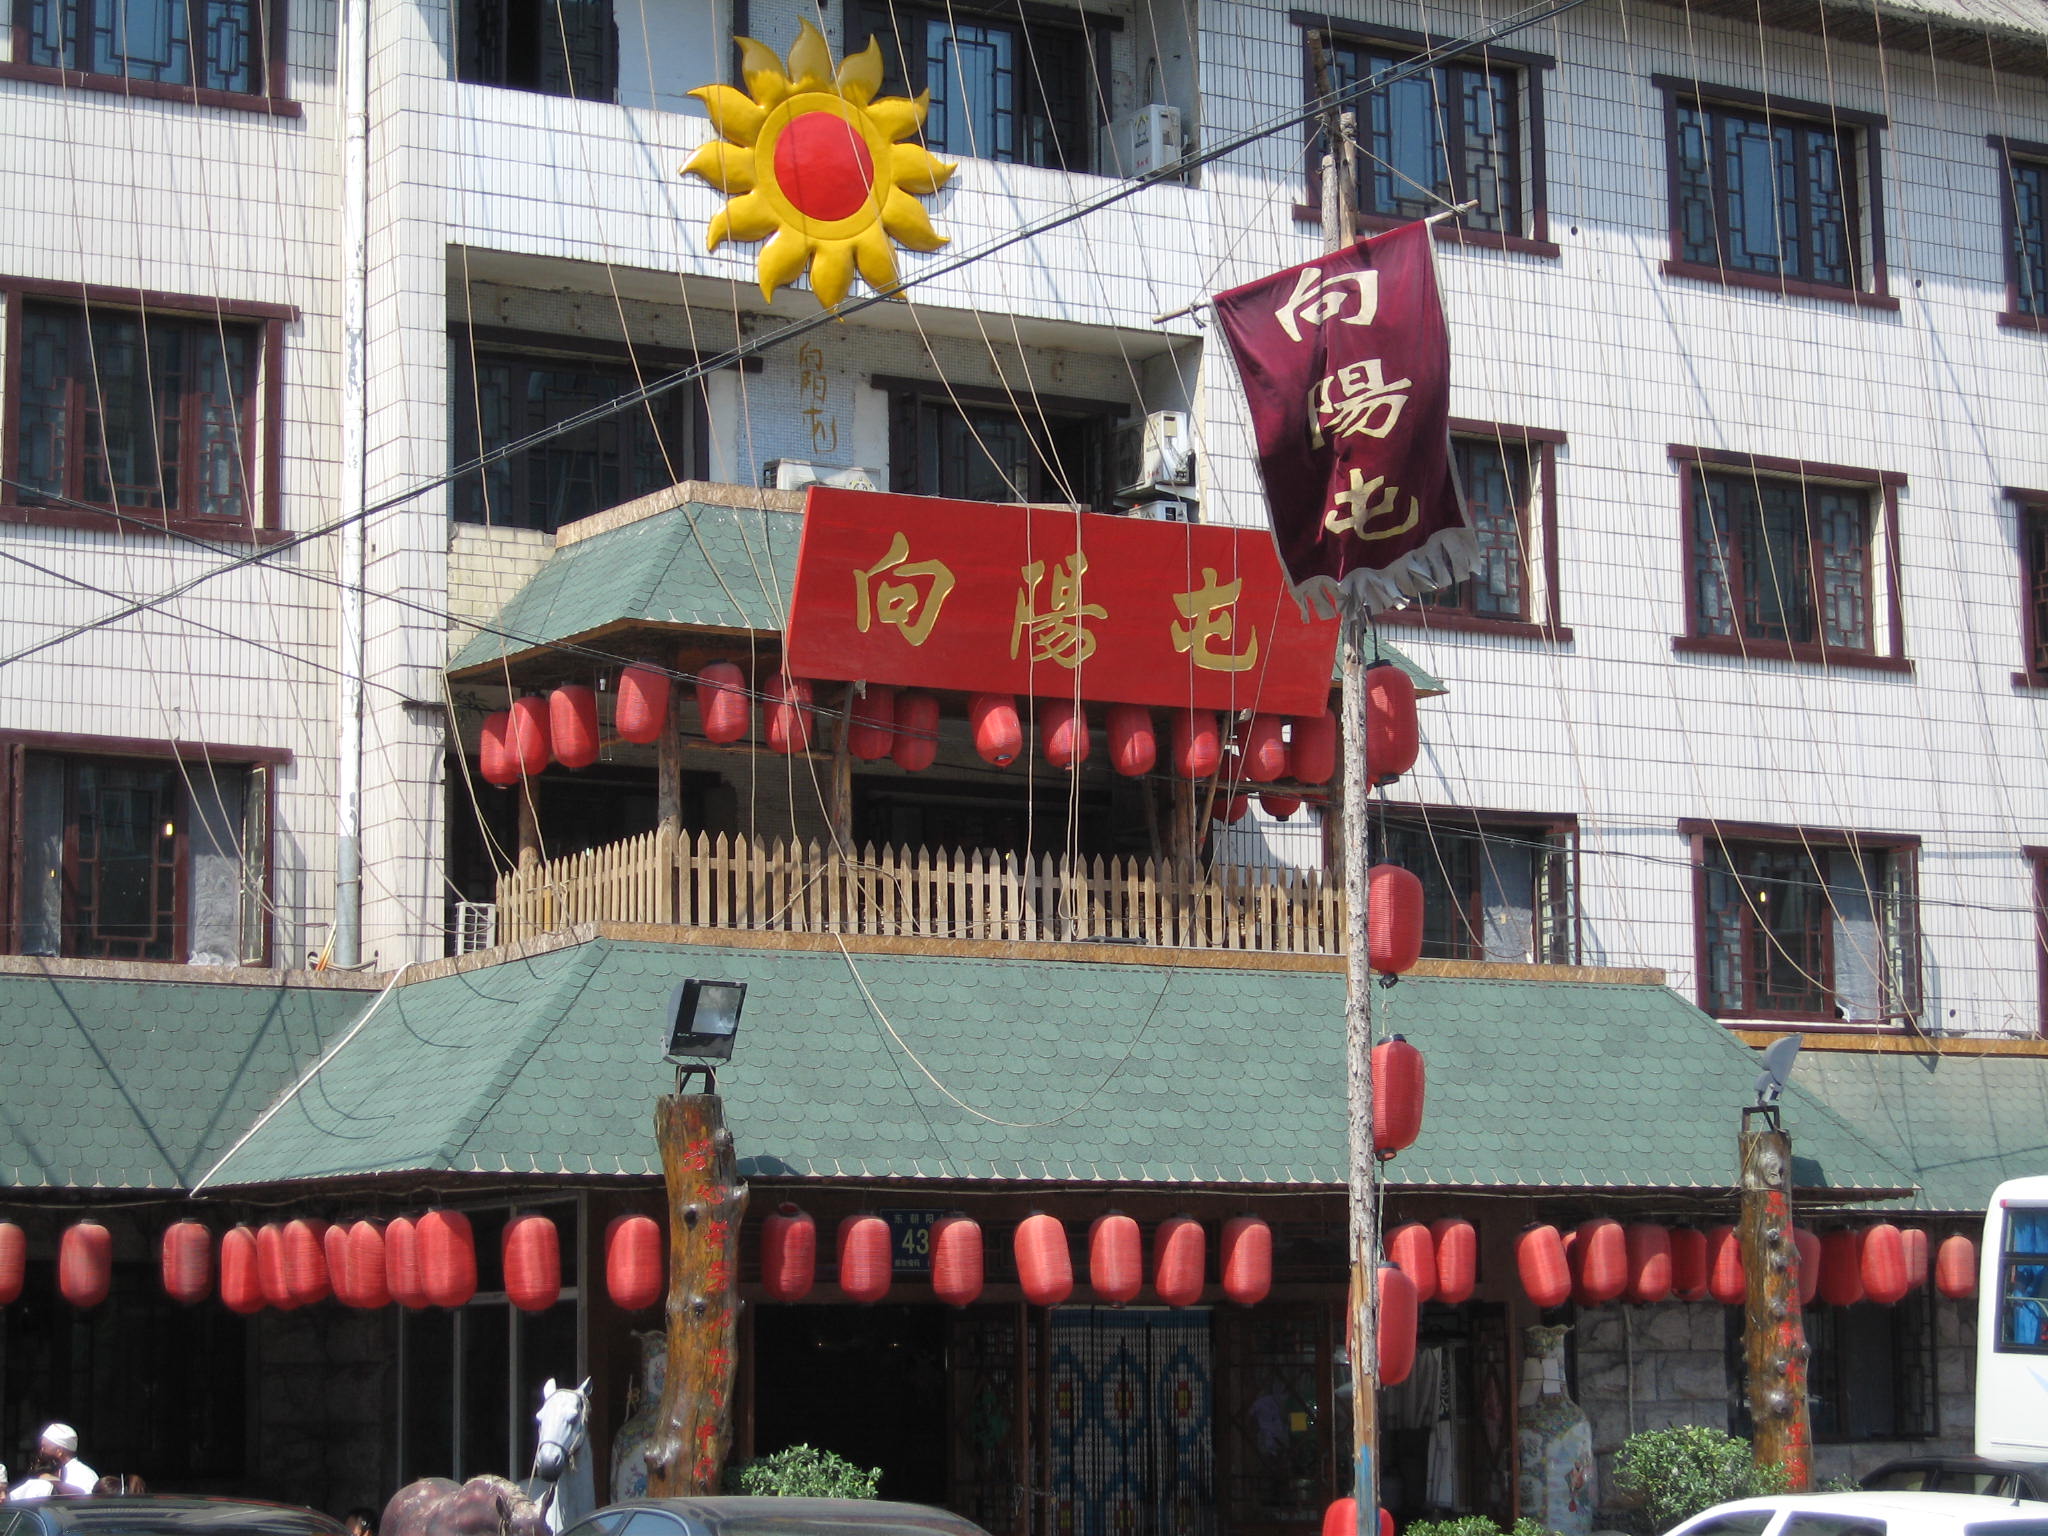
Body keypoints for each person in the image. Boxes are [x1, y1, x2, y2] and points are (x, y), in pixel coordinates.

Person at [35, 1427, 94, 1496]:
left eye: (44, 1447)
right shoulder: (57, 1471)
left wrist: (54, 1481)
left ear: (59, 1451)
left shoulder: (84, 1475)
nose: (41, 1451)